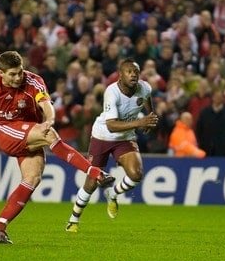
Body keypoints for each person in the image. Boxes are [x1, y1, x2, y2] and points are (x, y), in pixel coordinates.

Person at [0, 51, 114, 244]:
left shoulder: (34, 81)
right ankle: (95, 172)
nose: (18, 77)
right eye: (12, 74)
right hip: (4, 130)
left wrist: (49, 119)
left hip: (29, 131)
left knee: (32, 179)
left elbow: (45, 103)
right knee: (49, 136)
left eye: (20, 72)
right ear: (1, 73)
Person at [66, 58, 158, 233]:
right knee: (92, 182)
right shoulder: (112, 92)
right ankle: (73, 219)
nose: (133, 74)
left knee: (136, 174)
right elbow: (111, 125)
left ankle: (112, 193)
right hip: (103, 136)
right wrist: (140, 123)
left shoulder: (145, 87)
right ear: (120, 75)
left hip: (125, 137)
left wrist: (150, 116)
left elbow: (146, 99)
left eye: (136, 72)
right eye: (129, 71)